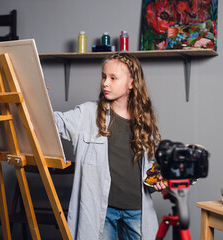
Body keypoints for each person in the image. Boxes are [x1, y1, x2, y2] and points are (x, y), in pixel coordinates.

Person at [53, 52, 164, 240]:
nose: (105, 83)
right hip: (102, 211)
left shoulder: (145, 121)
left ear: (131, 83)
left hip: (137, 208)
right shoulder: (88, 113)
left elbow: (150, 165)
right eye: (104, 77)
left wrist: (158, 180)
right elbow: (55, 122)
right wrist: (27, 108)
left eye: (113, 78)